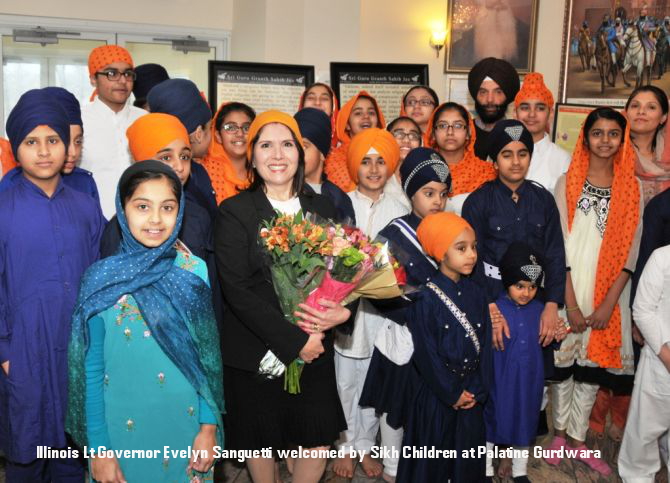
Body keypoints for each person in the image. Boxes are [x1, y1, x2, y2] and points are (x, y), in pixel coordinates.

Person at [67, 160, 224, 482]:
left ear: (180, 212)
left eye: (167, 207)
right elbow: (91, 370)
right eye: (142, 206)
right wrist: (98, 449)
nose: (155, 219)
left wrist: (209, 429)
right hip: (119, 432)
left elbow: (207, 359)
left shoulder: (193, 272)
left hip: (186, 426)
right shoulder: (101, 280)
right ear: (122, 210)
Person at [215, 111, 349, 483]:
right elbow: (236, 290)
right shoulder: (234, 212)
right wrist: (295, 342)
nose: (278, 154)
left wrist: (342, 313)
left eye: (287, 144)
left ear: (300, 154)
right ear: (253, 156)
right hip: (257, 352)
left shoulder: (321, 207)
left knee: (316, 442)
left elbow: (343, 272)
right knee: (263, 445)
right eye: (266, 144)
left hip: (315, 349)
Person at [0, 89, 105, 481]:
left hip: (78, 343)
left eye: (53, 140)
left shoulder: (84, 205)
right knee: (26, 449)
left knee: (72, 447)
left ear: (67, 146)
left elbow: (99, 274)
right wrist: (5, 350)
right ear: (16, 148)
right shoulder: (3, 207)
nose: (43, 151)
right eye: (31, 142)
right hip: (23, 345)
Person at [546, 108, 642, 476]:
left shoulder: (631, 188)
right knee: (564, 365)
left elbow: (631, 253)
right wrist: (569, 303)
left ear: (623, 139)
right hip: (568, 285)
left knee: (592, 369)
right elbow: (556, 247)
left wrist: (609, 303)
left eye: (613, 133)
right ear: (584, 138)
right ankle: (557, 434)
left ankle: (578, 438)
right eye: (597, 133)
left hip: (608, 294)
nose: (605, 140)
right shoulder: (566, 182)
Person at [358, 147, 451, 481]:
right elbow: (375, 287)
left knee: (426, 405)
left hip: (438, 340)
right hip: (403, 335)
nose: (437, 201)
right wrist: (412, 312)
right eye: (428, 193)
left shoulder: (454, 230)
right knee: (394, 406)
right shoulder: (397, 232)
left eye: (443, 194)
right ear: (412, 193)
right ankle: (393, 467)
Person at [332, 128, 408, 480]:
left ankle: (365, 445)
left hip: (384, 312)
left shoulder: (401, 207)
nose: (374, 169)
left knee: (372, 382)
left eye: (381, 161)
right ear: (353, 166)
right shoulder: (340, 203)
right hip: (345, 310)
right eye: (366, 161)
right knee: (345, 380)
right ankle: (345, 445)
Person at [397, 211, 491, 483]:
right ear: (440, 252)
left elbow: (485, 349)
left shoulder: (477, 294)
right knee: (431, 466)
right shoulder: (425, 298)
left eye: (473, 247)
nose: (471, 254)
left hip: (471, 396)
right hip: (436, 398)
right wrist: (451, 393)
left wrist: (477, 389)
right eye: (461, 248)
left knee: (467, 465)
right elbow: (426, 356)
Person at [462, 119, 564, 347]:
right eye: (507, 155)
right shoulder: (477, 202)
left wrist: (552, 304)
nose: (516, 162)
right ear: (495, 160)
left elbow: (555, 253)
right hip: (493, 299)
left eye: (523, 154)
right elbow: (470, 259)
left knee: (532, 371)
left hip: (535, 299)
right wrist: (487, 304)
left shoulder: (544, 200)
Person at [484, 242, 564, 482]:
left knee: (524, 423)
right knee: (490, 423)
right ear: (506, 281)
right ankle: (485, 470)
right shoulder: (494, 309)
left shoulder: (540, 310)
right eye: (519, 286)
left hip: (529, 383)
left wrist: (557, 335)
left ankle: (520, 471)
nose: (526, 293)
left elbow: (549, 341)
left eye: (531, 287)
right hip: (498, 381)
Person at [618, 244, 670, 482]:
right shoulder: (662, 258)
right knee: (644, 432)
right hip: (661, 361)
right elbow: (642, 311)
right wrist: (667, 358)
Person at [0, 87, 101, 204]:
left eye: (78, 141)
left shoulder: (84, 183)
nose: (73, 153)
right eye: (65, 141)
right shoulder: (9, 188)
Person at [80, 45, 146, 218]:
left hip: (142, 223)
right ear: (93, 79)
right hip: (92, 223)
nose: (122, 81)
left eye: (127, 74)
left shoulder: (145, 119)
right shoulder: (79, 120)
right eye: (112, 73)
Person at [147, 78, 218, 217]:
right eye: (210, 128)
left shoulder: (197, 171)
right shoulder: (175, 179)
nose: (179, 167)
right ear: (198, 133)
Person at [426, 102, 496, 214]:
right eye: (442, 125)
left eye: (458, 125)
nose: (450, 132)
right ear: (433, 133)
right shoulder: (422, 171)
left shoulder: (487, 172)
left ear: (469, 133)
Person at [294, 107, 355, 223]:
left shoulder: (340, 198)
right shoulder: (286, 191)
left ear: (322, 154)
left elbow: (350, 237)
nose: (297, 153)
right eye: (293, 146)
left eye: (304, 146)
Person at [514, 73, 571, 194]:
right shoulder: (501, 153)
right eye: (525, 108)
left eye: (540, 108)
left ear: (550, 114)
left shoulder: (563, 159)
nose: (532, 114)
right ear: (515, 113)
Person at [324, 90, 386, 193]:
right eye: (358, 113)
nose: (366, 117)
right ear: (347, 125)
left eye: (371, 113)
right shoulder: (333, 158)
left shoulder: (388, 153)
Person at [450, 0, 531, 70]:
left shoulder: (524, 34)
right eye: (492, 5)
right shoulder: (467, 37)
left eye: (500, 5)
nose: (497, 6)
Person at [202, 101, 256, 205]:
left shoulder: (264, 175)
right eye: (230, 127)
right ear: (218, 136)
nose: (240, 133)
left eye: (246, 128)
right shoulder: (204, 173)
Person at [468, 57, 521, 160]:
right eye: (483, 92)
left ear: (507, 96)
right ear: (475, 95)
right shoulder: (463, 133)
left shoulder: (517, 134)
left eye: (498, 92)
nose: (490, 100)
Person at [625, 85, 669, 205]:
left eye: (651, 107)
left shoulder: (667, 157)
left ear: (663, 117)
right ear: (626, 112)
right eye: (635, 106)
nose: (641, 112)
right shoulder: (611, 152)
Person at [385, 116, 423, 211]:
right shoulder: (377, 175)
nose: (406, 140)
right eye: (399, 134)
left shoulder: (427, 178)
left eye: (413, 135)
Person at [298, 82, 339, 148]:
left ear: (333, 107)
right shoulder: (290, 138)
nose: (317, 103)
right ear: (302, 105)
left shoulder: (344, 146)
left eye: (324, 99)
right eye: (311, 98)